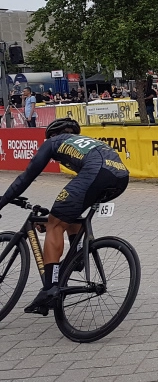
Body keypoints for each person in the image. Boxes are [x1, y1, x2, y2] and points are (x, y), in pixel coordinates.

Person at [0, 118, 130, 315]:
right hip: (121, 176)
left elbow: (26, 177)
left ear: (53, 135)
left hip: (97, 172)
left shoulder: (53, 142)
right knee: (66, 214)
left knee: (54, 224)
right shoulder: (85, 142)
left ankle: (50, 288)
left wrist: (2, 202)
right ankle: (76, 258)